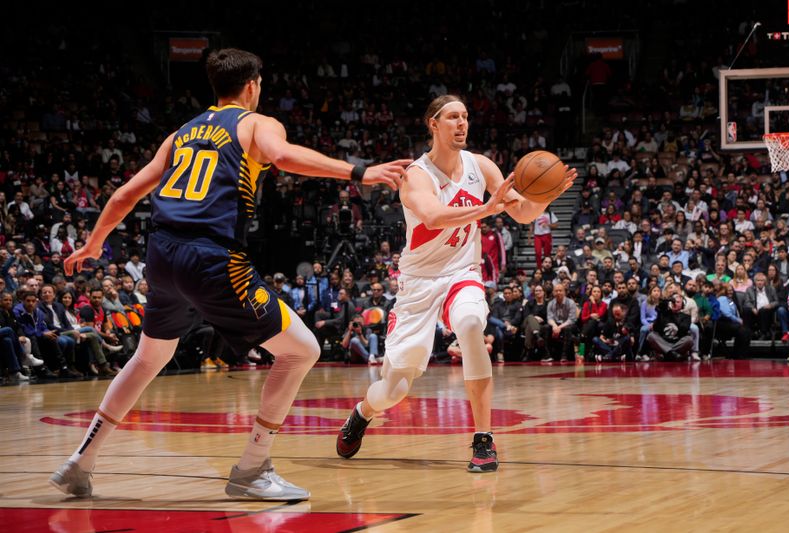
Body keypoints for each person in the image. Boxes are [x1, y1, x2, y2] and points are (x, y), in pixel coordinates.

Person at [50, 48, 409, 501]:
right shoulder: (257, 123)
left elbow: (125, 194)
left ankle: (80, 462)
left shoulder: (181, 132)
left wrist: (95, 243)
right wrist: (360, 171)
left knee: (147, 358)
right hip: (210, 257)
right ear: (253, 85)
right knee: (301, 350)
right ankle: (253, 469)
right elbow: (281, 157)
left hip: (161, 254)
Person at [335, 95, 576, 473]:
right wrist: (484, 209)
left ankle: (484, 439)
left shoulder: (481, 166)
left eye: (465, 116)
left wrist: (547, 196)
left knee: (469, 324)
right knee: (393, 391)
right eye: (452, 117)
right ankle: (363, 412)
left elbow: (523, 212)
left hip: (462, 272)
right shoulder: (415, 174)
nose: (461, 123)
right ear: (433, 123)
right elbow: (432, 217)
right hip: (418, 283)